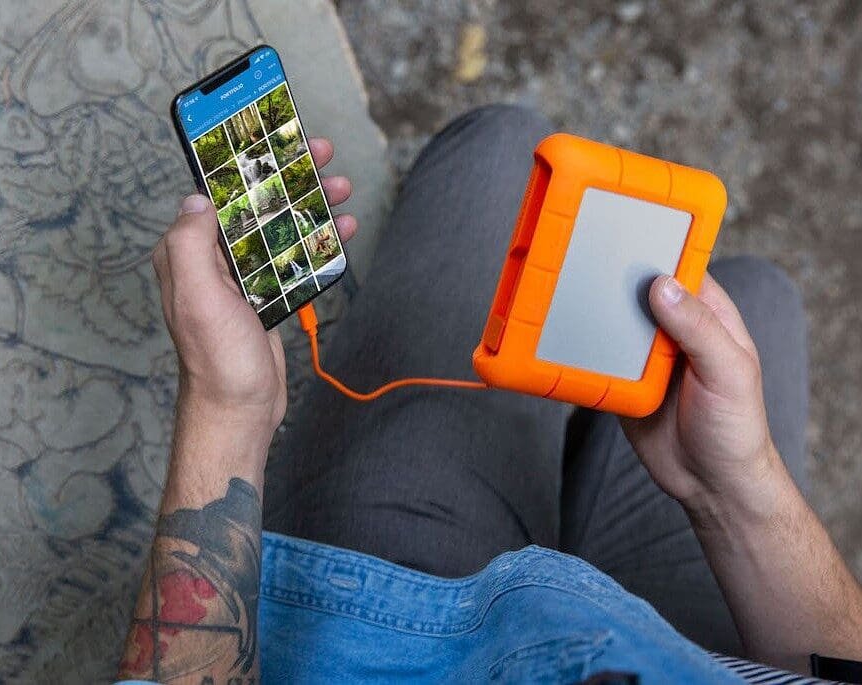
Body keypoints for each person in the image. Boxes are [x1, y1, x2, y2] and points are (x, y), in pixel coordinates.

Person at [117, 107, 862, 684]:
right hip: (699, 648)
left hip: (407, 634)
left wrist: (228, 411)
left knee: (497, 146)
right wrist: (733, 487)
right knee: (761, 295)